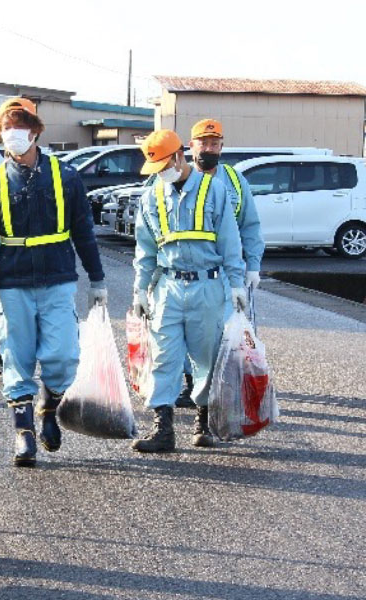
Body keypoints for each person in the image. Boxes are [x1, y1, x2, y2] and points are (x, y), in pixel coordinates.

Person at [0, 97, 107, 467]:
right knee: (16, 356)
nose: (13, 135)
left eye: (20, 127)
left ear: (35, 131)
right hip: (12, 283)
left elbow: (84, 231)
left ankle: (49, 408)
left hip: (57, 278)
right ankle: (24, 433)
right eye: (6, 129)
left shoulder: (66, 177)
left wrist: (97, 279)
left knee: (63, 354)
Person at [130, 129, 246, 453]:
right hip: (167, 286)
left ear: (179, 156)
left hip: (207, 285)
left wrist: (237, 285)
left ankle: (204, 419)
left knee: (205, 356)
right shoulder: (151, 196)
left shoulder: (214, 190)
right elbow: (145, 249)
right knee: (164, 357)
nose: (159, 175)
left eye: (163, 166)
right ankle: (163, 427)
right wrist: (140, 291)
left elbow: (230, 243)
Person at [174, 119, 266, 416]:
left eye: (214, 143)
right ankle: (193, 383)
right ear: (191, 146)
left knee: (225, 332)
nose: (209, 148)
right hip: (190, 271)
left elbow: (250, 225)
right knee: (188, 330)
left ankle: (223, 386)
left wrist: (252, 265)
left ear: (222, 146)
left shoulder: (235, 181)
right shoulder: (178, 178)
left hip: (228, 272)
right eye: (203, 143)